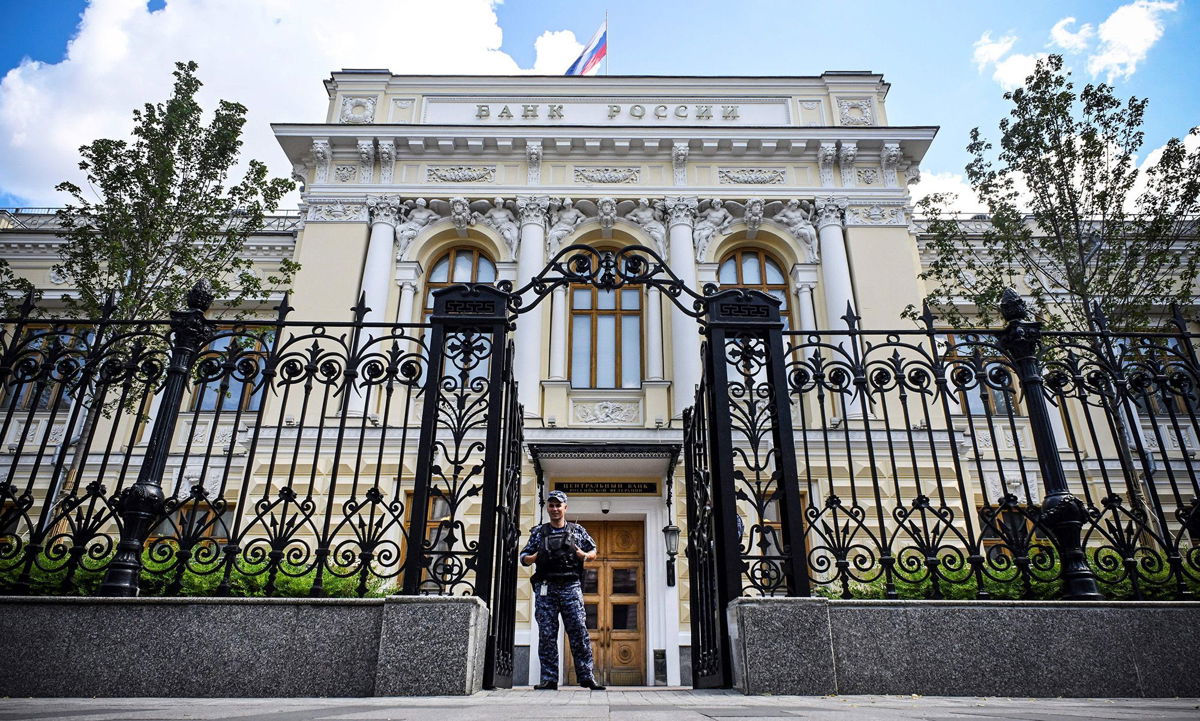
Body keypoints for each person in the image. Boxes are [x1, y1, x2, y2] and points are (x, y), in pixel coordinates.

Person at [520, 491, 606, 690]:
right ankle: (549, 679)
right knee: (547, 634)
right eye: (551, 505)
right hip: (546, 587)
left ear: (565, 507)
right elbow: (523, 556)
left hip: (570, 586)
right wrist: (534, 557)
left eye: (558, 505)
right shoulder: (539, 532)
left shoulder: (577, 530)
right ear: (547, 508)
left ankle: (586, 676)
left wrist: (585, 555)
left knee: (578, 630)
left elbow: (593, 550)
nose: (555, 509)